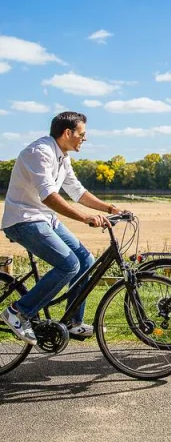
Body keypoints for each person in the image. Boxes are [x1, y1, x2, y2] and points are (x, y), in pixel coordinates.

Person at [1, 112, 126, 345]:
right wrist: (86, 218)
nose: (84, 139)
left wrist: (110, 208)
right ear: (67, 133)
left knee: (86, 261)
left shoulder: (63, 156)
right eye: (82, 134)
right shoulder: (40, 152)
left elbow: (77, 191)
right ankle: (18, 312)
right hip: (24, 219)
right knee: (69, 264)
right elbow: (48, 195)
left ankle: (72, 322)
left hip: (45, 218)